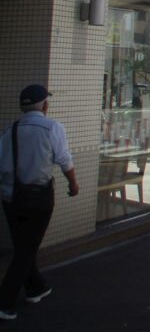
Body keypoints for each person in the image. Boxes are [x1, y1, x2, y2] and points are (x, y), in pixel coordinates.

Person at [0, 85, 79, 320]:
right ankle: (5, 303)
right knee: (26, 250)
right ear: (44, 105)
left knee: (24, 246)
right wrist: (73, 184)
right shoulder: (51, 127)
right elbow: (64, 159)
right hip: (38, 197)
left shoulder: (10, 130)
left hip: (10, 197)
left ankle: (37, 287)